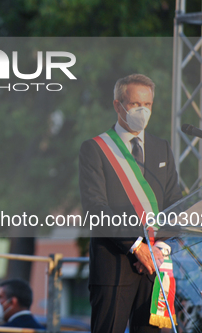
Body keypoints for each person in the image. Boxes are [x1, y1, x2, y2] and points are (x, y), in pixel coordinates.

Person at [79, 74, 182, 333]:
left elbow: (174, 205)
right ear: (118, 105)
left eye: (147, 105)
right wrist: (136, 246)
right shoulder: (96, 148)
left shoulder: (162, 148)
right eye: (135, 104)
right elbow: (96, 208)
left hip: (154, 268)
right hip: (113, 267)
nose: (142, 111)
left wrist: (159, 248)